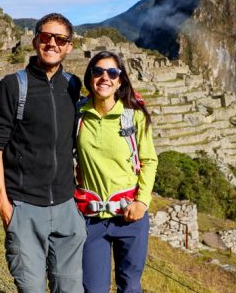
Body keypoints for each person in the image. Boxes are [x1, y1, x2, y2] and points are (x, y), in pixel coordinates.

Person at [0, 13, 86, 293]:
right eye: (46, 37)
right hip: (25, 206)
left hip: (67, 206)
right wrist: (4, 205)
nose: (52, 43)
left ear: (69, 47)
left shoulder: (73, 85)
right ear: (35, 41)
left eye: (60, 39)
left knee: (70, 289)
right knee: (31, 288)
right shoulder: (12, 86)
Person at [75, 51, 158, 293]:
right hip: (91, 218)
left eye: (112, 73)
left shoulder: (133, 116)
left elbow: (149, 160)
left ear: (120, 80)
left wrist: (142, 202)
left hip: (129, 216)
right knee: (93, 288)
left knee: (130, 286)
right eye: (98, 72)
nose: (105, 78)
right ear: (90, 77)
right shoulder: (79, 115)